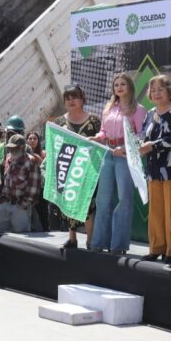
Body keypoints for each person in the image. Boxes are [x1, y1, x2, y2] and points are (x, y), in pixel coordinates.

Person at [89, 73, 146, 255]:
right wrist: (98, 137)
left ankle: (118, 245)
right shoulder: (108, 108)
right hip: (108, 154)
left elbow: (142, 136)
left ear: (129, 87)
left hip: (126, 157)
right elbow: (104, 131)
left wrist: (125, 147)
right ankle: (98, 242)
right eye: (116, 85)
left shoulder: (138, 109)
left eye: (123, 84)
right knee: (103, 199)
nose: (119, 87)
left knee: (124, 199)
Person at [139, 75, 171, 265]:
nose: (156, 93)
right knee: (155, 211)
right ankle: (155, 248)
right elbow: (143, 135)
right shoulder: (149, 113)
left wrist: (153, 145)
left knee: (170, 212)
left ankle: (170, 251)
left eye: (160, 89)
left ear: (169, 90)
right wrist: (141, 145)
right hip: (152, 169)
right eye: (153, 90)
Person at [54, 83, 101, 249]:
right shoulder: (59, 122)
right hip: (66, 169)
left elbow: (101, 144)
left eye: (74, 97)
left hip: (88, 169)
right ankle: (72, 238)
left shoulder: (94, 121)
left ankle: (90, 239)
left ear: (82, 99)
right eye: (67, 98)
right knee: (68, 203)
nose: (71, 100)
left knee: (87, 204)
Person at [0, 134, 42, 234]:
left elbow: (33, 187)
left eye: (14, 148)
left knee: (20, 238)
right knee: (0, 237)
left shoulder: (31, 162)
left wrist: (23, 204)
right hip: (5, 203)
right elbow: (4, 180)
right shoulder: (8, 158)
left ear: (22, 147)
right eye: (10, 148)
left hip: (20, 207)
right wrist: (1, 200)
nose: (11, 150)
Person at [25, 131, 48, 231]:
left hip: (40, 186)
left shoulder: (43, 153)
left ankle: (45, 228)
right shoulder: (23, 152)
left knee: (42, 209)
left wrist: (40, 161)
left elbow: (47, 168)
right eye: (30, 138)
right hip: (27, 186)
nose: (32, 141)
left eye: (35, 138)